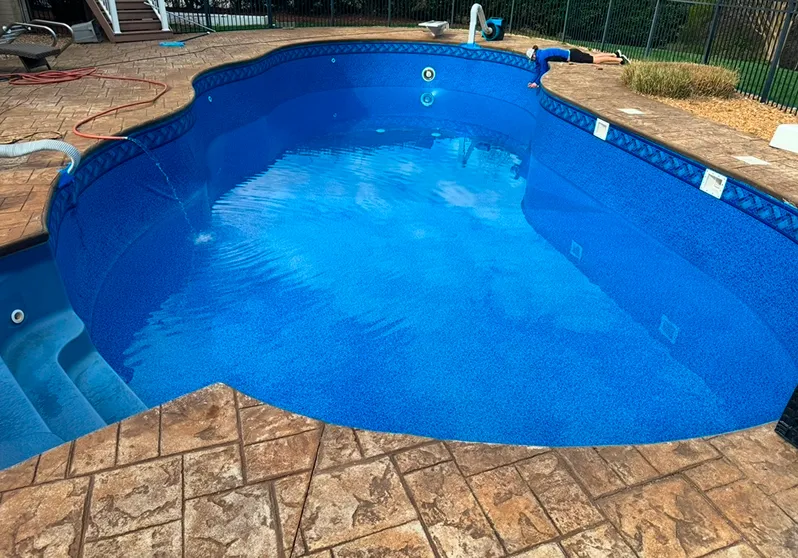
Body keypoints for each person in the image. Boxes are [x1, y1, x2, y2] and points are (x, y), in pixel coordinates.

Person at [527, 45, 629, 71]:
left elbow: (542, 70)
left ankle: (620, 60)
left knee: (595, 60)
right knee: (593, 57)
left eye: (532, 58)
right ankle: (615, 54)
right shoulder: (541, 52)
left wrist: (536, 83)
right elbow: (537, 68)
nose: (532, 60)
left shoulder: (541, 57)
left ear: (533, 55)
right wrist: (533, 81)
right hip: (572, 52)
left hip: (573, 56)